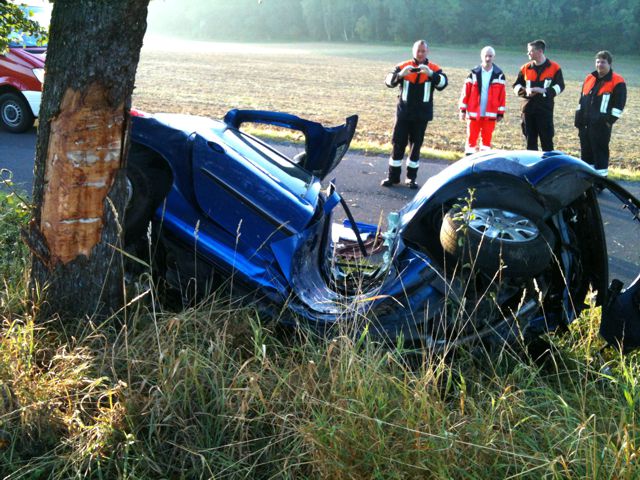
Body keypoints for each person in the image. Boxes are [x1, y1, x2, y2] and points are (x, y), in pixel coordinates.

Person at [381, 39, 448, 189]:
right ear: (413, 51)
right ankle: (393, 177)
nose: (420, 53)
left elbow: (443, 83)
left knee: (415, 147)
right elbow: (388, 82)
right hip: (403, 114)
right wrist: (400, 75)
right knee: (398, 144)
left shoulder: (434, 68)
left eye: (423, 51)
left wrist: (431, 74)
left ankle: (411, 178)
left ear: (427, 52)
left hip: (421, 115)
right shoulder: (403, 66)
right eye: (418, 50)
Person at [575, 50, 627, 177]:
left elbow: (619, 106)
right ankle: (588, 181)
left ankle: (600, 182)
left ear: (609, 64)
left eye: (603, 62)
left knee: (600, 154)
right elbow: (582, 100)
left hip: (601, 126)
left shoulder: (618, 81)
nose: (599, 65)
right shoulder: (589, 78)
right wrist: (578, 120)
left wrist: (607, 122)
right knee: (586, 154)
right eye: (597, 62)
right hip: (585, 125)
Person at [512, 39, 564, 151]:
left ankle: (549, 166)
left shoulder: (555, 68)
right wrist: (526, 91)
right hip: (528, 110)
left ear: (540, 51)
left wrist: (544, 91)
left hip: (545, 110)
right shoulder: (525, 68)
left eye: (530, 51)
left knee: (547, 142)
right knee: (530, 141)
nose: (528, 54)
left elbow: (560, 86)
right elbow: (515, 85)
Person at [459, 46, 506, 154]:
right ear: (481, 56)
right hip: (474, 112)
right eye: (486, 56)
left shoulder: (499, 75)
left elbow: (502, 95)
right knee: (471, 139)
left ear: (494, 57)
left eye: (490, 56)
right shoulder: (473, 73)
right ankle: (468, 161)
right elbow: (465, 92)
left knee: (486, 141)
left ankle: (483, 163)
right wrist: (462, 110)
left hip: (490, 114)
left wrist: (500, 113)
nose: (488, 58)